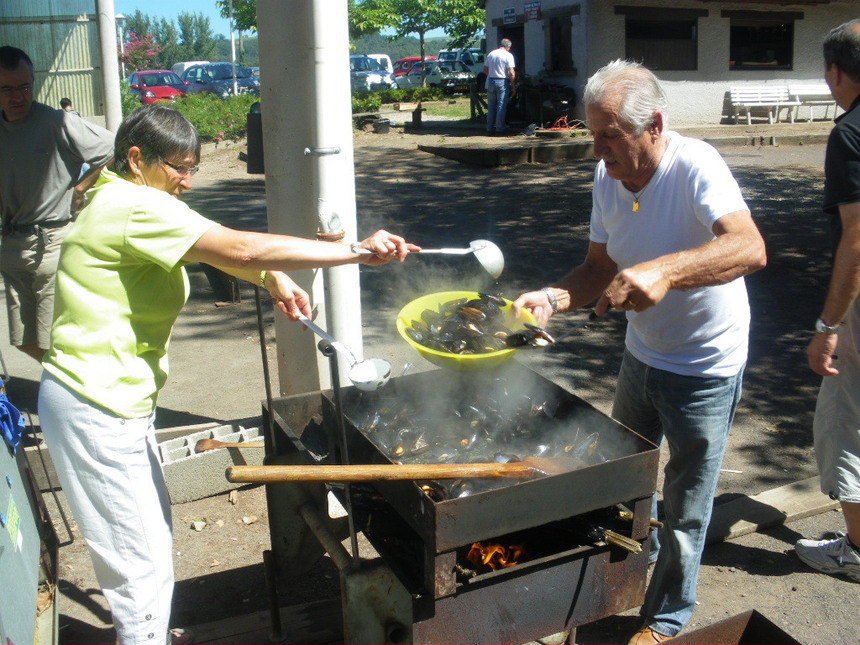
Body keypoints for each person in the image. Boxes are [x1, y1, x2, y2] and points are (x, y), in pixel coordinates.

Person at [36, 104, 420, 645]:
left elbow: (211, 251)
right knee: (138, 563)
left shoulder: (120, 198)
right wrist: (355, 253)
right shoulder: (134, 205)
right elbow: (235, 244)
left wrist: (272, 279)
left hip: (111, 400)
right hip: (97, 405)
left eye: (193, 167)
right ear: (137, 157)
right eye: (178, 167)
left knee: (145, 545)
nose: (188, 182)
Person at [512, 59, 766, 644]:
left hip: (705, 363)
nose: (596, 148)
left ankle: (666, 620)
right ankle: (619, 583)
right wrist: (554, 297)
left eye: (609, 135)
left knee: (685, 502)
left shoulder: (695, 164)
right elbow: (599, 269)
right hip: (642, 355)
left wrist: (665, 273)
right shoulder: (607, 178)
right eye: (591, 132)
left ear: (652, 124)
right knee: (624, 481)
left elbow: (750, 248)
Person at [794, 19, 860, 584]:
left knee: (846, 417)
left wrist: (828, 323)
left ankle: (856, 551)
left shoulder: (851, 132)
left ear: (836, 72)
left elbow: (857, 239)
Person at [0, 45, 114, 361]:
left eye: (24, 86)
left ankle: (72, 395)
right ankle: (68, 389)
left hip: (52, 243)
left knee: (57, 340)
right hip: (12, 245)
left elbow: (115, 148)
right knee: (23, 340)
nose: (18, 96)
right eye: (7, 89)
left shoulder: (56, 122)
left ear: (33, 82)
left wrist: (82, 186)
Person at [483, 38, 515, 135]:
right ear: (508, 47)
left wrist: (492, 74)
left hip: (491, 80)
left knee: (491, 106)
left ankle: (489, 128)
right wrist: (513, 86)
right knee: (501, 106)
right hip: (502, 80)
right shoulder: (508, 55)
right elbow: (511, 72)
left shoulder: (491, 54)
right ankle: (499, 128)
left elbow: (485, 69)